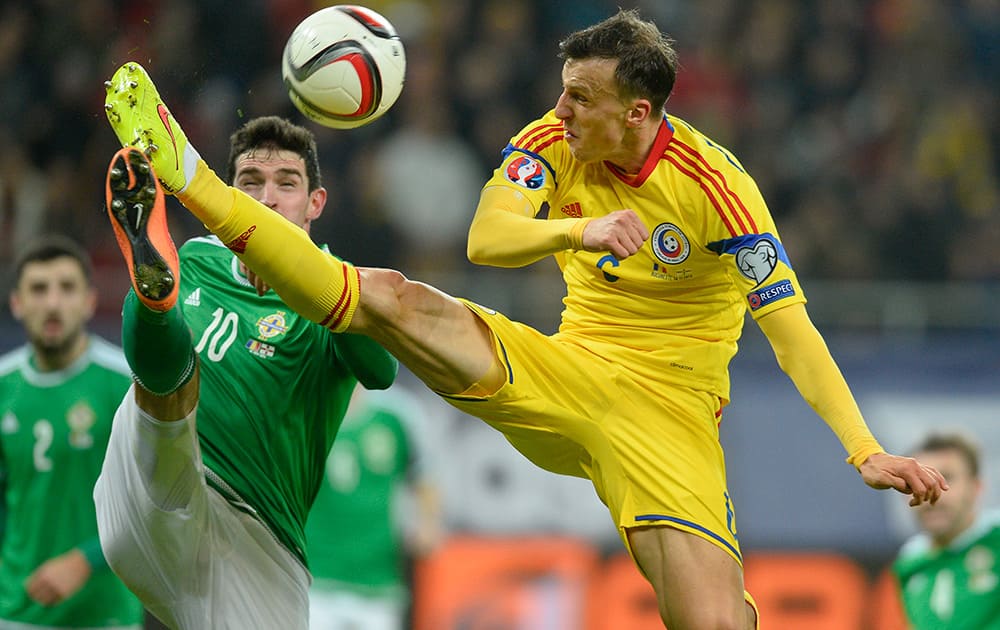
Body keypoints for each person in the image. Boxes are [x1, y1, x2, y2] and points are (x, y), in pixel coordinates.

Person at [101, 10, 949, 629]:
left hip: (671, 415)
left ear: (638, 115)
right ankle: (191, 176)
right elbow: (486, 239)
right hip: (568, 369)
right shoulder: (552, 138)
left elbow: (791, 328)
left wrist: (863, 448)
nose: (562, 108)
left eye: (582, 98)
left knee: (714, 623)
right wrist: (576, 228)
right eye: (564, 91)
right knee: (393, 295)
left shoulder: (719, 190)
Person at [94, 117, 398, 629]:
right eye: (250, 184)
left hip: (258, 536)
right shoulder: (197, 257)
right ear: (228, 195)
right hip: (157, 488)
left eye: (286, 183)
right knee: (170, 382)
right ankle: (154, 296)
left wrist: (298, 268)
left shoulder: (339, 289)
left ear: (315, 203)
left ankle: (157, 306)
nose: (267, 198)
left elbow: (380, 371)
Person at [0, 235, 143, 629]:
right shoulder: (4, 386)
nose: (52, 302)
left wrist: (86, 560)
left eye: (66, 288)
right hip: (16, 612)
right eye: (38, 289)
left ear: (89, 302)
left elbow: (157, 503)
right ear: (17, 303)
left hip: (106, 614)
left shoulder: (128, 386)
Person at [305, 384, 442, 630]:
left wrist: (428, 523)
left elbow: (425, 476)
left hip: (378, 581)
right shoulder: (307, 408)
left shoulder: (397, 414)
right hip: (316, 577)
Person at [892, 432, 999, 629]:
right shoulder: (910, 561)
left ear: (976, 487)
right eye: (918, 479)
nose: (931, 491)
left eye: (946, 478)